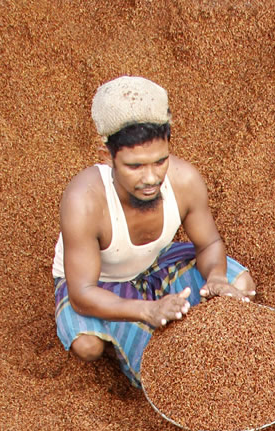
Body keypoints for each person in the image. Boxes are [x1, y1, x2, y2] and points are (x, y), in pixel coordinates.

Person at [53, 75, 255, 385]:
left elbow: (209, 243)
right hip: (100, 282)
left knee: (239, 284)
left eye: (160, 162)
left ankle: (148, 315)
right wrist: (147, 311)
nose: (151, 178)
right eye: (135, 166)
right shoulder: (84, 200)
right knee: (88, 345)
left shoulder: (184, 180)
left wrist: (215, 278)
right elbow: (82, 294)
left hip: (155, 262)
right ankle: (116, 338)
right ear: (105, 154)